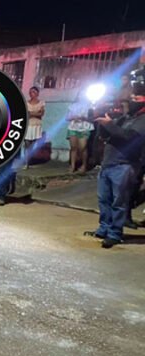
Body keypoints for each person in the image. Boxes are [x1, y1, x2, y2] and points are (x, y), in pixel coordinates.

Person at [84, 68, 145, 249]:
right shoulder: (125, 117)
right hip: (109, 163)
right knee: (104, 200)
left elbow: (128, 136)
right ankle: (104, 228)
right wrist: (102, 121)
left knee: (119, 202)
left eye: (136, 98)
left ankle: (115, 234)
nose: (132, 100)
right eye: (132, 97)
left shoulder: (142, 121)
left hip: (124, 165)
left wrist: (110, 124)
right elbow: (106, 135)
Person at [66, 93, 94, 174]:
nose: (81, 96)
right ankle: (72, 166)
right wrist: (73, 117)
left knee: (83, 147)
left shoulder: (89, 106)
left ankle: (84, 165)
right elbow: (67, 117)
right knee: (73, 147)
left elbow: (92, 118)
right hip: (73, 127)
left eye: (82, 95)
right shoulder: (72, 106)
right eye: (79, 95)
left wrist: (83, 118)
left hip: (84, 127)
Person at [23, 87, 45, 169]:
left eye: (33, 92)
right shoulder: (26, 103)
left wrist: (31, 113)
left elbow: (41, 114)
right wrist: (35, 113)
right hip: (28, 125)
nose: (31, 94)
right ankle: (26, 163)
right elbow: (26, 114)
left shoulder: (41, 103)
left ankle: (30, 160)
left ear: (37, 93)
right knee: (27, 144)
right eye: (30, 92)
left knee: (33, 144)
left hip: (36, 125)